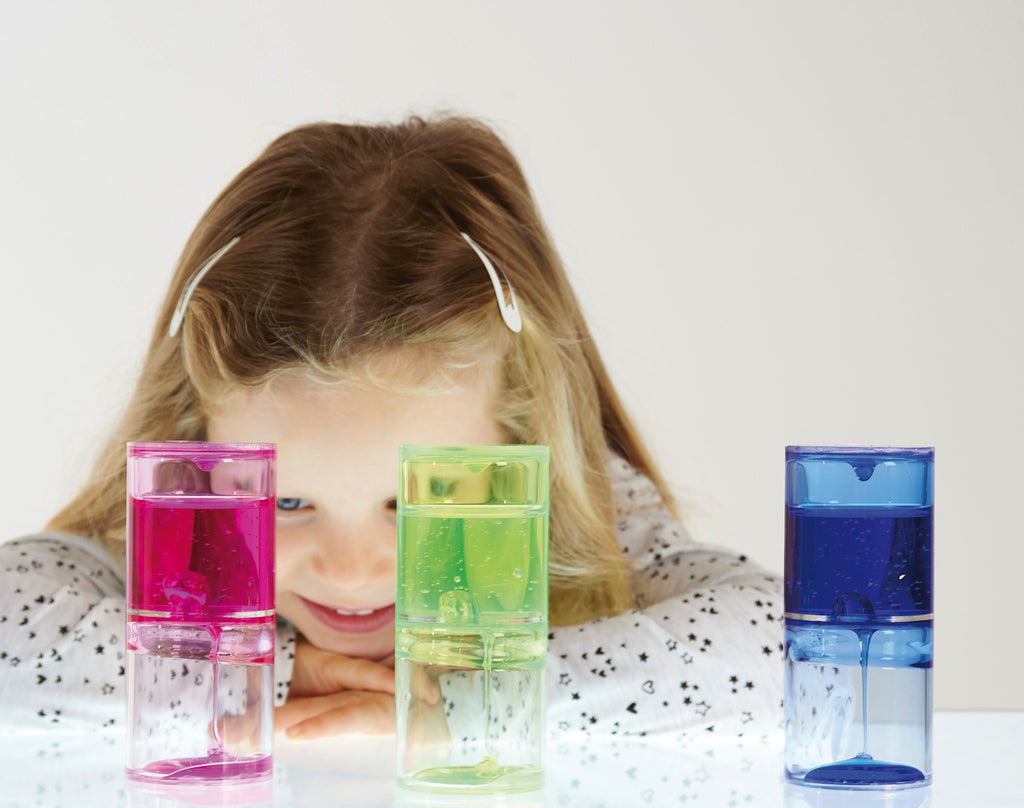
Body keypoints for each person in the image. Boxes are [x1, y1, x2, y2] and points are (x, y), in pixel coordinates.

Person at [0, 115, 782, 740]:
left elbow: (781, 640)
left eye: (417, 504)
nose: (350, 572)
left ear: (529, 450)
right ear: (191, 448)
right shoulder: (184, 520)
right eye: (283, 503)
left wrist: (469, 699)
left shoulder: (597, 520)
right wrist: (257, 675)